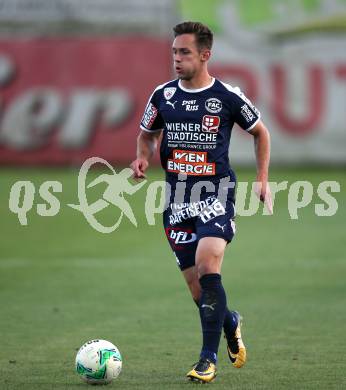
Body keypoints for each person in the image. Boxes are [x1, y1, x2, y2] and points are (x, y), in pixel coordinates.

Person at [131, 21, 272, 383]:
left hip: (216, 195)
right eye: (174, 52)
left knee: (209, 265)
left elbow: (260, 132)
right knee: (198, 290)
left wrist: (261, 179)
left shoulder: (226, 96)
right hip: (177, 202)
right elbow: (147, 133)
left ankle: (207, 359)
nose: (177, 59)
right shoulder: (162, 96)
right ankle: (230, 321)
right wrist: (142, 157)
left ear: (205, 55)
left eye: (185, 53)